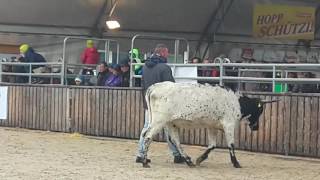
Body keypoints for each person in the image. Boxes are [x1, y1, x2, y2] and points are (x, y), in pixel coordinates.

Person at [136, 44, 184, 164]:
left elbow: (143, 86)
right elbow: (171, 87)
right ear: (162, 53)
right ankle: (177, 154)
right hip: (164, 105)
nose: (168, 55)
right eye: (167, 53)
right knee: (170, 129)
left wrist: (146, 103)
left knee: (147, 128)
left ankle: (140, 153)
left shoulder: (145, 67)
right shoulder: (164, 68)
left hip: (150, 104)